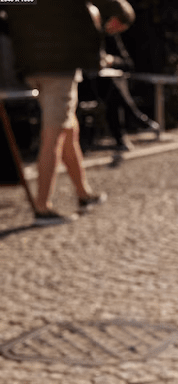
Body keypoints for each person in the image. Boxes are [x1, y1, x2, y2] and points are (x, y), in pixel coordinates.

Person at [3, 0, 134, 225]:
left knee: (69, 129)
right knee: (54, 136)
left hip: (29, 65)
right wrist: (116, 20)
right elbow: (109, 8)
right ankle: (42, 207)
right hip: (59, 68)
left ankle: (83, 193)